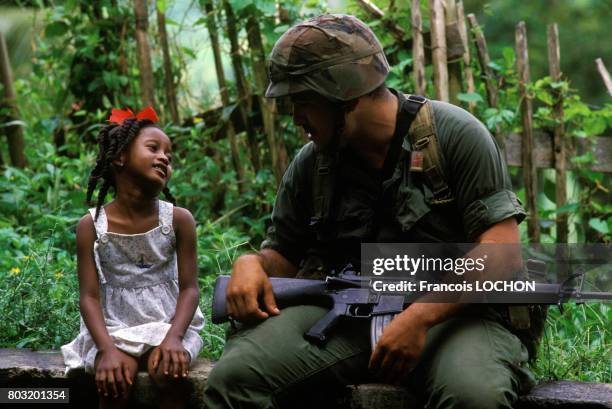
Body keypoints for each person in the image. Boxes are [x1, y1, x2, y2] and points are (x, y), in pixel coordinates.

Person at [204, 14, 539, 409]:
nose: (296, 118)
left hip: (453, 316)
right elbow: (285, 256)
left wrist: (419, 318)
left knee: (474, 397)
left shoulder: (454, 135)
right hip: (349, 316)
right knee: (235, 379)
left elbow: (501, 253)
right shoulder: (313, 163)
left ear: (342, 95)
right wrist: (253, 264)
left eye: (303, 102)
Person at [61, 107, 205, 409]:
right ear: (119, 157)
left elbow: (190, 289)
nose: (164, 157)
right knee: (114, 379)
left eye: (169, 153)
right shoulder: (91, 226)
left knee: (168, 372)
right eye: (153, 148)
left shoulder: (179, 220)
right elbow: (88, 297)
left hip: (169, 324)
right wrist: (106, 349)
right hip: (114, 327)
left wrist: (174, 338)